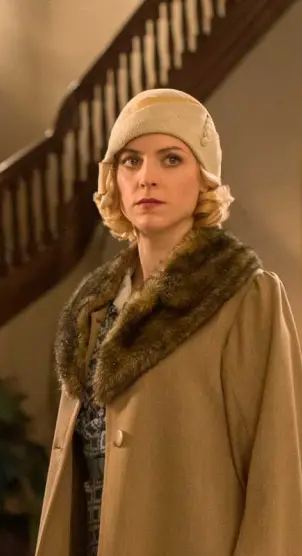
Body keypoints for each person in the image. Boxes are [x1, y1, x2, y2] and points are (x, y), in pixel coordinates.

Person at [34, 88, 302, 556]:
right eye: (131, 161)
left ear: (204, 179)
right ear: (114, 180)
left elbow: (278, 477)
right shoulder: (92, 311)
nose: (147, 178)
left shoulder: (246, 298)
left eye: (171, 159)